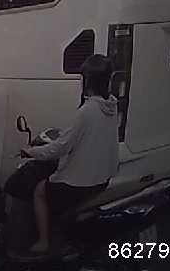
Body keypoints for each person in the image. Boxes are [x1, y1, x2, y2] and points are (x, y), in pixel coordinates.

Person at [20, 54, 120, 257]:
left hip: (80, 182)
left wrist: (31, 152)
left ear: (87, 81)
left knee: (40, 191)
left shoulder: (87, 110)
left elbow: (60, 148)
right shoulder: (111, 106)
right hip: (103, 179)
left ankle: (43, 242)